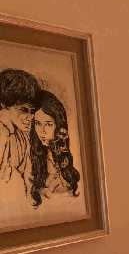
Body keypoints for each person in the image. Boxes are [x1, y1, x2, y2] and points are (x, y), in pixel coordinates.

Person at [29, 90, 80, 207]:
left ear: (59, 125)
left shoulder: (64, 154)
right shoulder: (32, 156)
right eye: (37, 123)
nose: (42, 131)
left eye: (48, 124)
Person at [0, 69, 39, 197]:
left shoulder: (23, 137)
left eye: (32, 111)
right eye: (23, 110)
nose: (30, 117)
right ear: (4, 104)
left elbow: (28, 177)